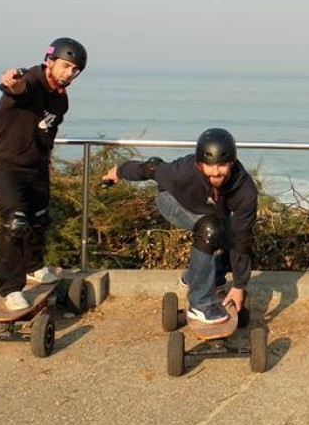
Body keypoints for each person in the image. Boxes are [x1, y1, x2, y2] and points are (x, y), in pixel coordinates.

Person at [102, 128, 257, 325]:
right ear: (200, 164)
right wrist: (119, 171)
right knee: (210, 230)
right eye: (210, 166)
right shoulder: (181, 172)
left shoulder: (245, 190)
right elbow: (150, 168)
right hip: (172, 201)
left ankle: (201, 277)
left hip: (210, 210)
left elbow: (242, 237)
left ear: (232, 163)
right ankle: (199, 304)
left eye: (222, 165)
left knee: (229, 240)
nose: (216, 172)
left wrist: (239, 285)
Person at [0, 37, 86, 313]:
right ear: (50, 61)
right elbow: (18, 88)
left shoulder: (60, 98)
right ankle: (10, 289)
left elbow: (47, 131)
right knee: (15, 223)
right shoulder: (32, 82)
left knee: (39, 219)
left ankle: (34, 266)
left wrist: (46, 158)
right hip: (7, 165)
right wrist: (11, 81)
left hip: (37, 165)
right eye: (65, 66)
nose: (70, 73)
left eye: (75, 70)